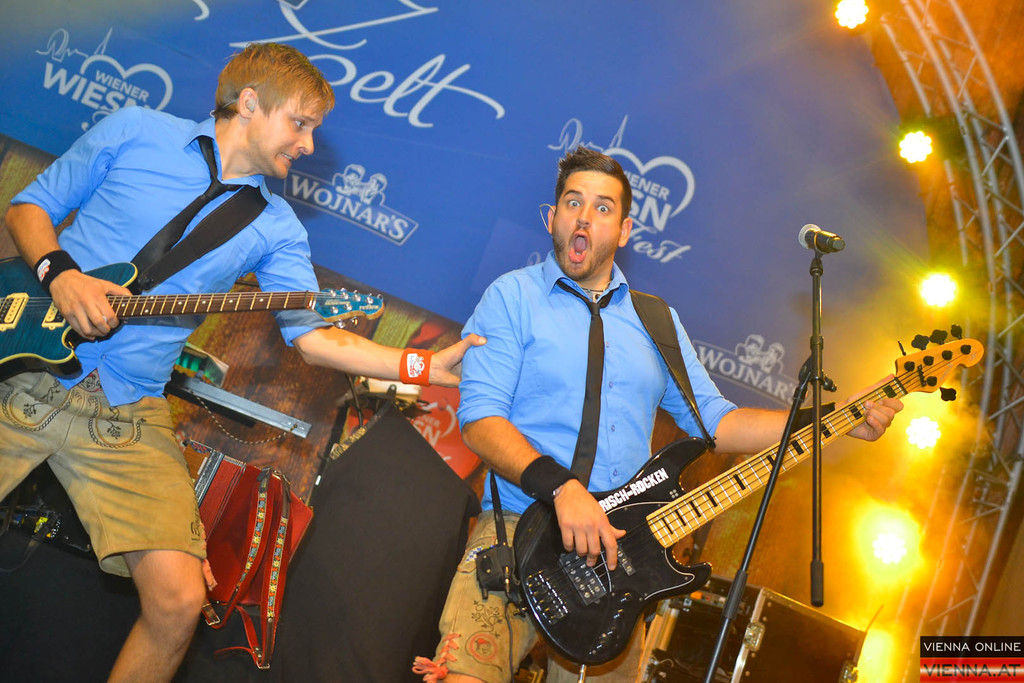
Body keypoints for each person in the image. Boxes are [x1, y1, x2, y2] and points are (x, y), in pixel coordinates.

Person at [1, 43, 481, 682]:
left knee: (178, 602)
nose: (308, 144)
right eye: (300, 124)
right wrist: (60, 275)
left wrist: (424, 368)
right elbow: (28, 208)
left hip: (125, 408)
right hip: (22, 366)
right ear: (250, 103)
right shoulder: (136, 129)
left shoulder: (277, 228)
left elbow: (314, 339)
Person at [413, 146, 902, 683]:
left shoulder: (656, 320)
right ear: (551, 218)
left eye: (603, 207)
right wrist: (563, 490)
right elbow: (481, 420)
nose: (584, 217)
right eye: (573, 203)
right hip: (516, 530)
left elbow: (717, 422)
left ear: (625, 230)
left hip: (618, 556)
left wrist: (839, 418)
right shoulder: (511, 296)